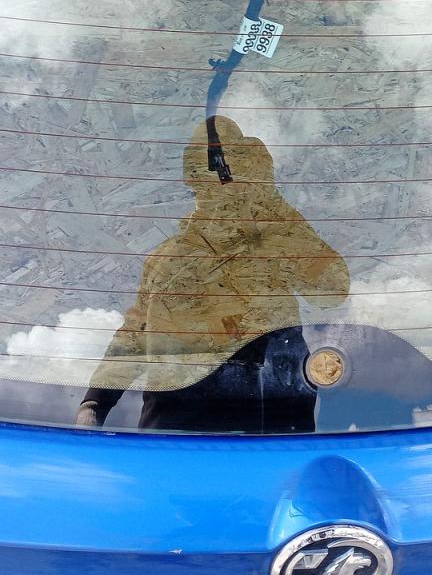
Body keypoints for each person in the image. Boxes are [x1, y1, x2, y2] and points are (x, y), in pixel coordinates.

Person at [76, 115, 350, 432]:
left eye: (234, 173)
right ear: (191, 181)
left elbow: (332, 291)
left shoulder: (277, 241)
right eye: (209, 175)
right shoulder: (168, 260)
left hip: (273, 433)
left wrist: (273, 210)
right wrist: (95, 401)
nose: (221, 187)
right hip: (178, 436)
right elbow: (135, 334)